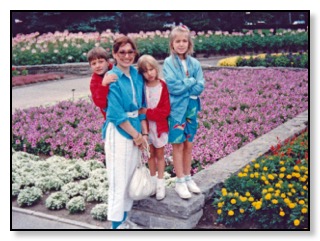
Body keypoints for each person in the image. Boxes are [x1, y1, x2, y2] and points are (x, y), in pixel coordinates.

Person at [103, 36, 148, 229]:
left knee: (130, 178)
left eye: (130, 52)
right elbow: (116, 114)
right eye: (122, 52)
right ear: (114, 54)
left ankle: (125, 220)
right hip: (120, 132)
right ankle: (116, 226)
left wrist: (143, 134)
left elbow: (142, 107)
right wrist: (136, 136)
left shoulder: (137, 76)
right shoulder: (113, 78)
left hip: (136, 128)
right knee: (118, 179)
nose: (127, 56)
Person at [162, 25, 205, 199]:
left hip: (191, 108)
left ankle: (187, 177)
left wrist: (187, 84)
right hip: (176, 109)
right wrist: (190, 82)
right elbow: (172, 86)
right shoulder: (168, 63)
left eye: (184, 41)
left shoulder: (195, 63)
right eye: (177, 41)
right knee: (177, 144)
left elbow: (200, 86)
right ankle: (179, 180)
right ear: (172, 44)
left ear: (189, 43)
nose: (181, 44)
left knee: (189, 143)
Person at [137, 55, 171, 201]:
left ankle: (160, 183)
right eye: (145, 71)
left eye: (151, 69)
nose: (149, 73)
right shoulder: (142, 87)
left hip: (159, 127)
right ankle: (152, 182)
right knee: (149, 155)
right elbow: (139, 109)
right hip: (145, 127)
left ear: (156, 69)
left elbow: (165, 110)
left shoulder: (163, 86)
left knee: (160, 155)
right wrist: (145, 115)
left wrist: (148, 113)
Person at [88, 46, 116, 120]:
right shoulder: (94, 82)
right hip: (110, 117)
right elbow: (100, 103)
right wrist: (103, 85)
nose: (97, 66)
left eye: (100, 62)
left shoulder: (116, 72)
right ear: (90, 66)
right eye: (94, 63)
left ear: (107, 62)